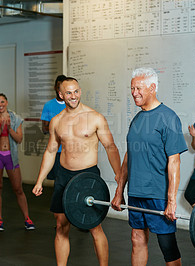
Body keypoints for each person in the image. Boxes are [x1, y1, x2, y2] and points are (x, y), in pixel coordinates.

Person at [32, 77, 121, 266]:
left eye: (76, 91)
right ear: (61, 95)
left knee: (95, 227)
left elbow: (110, 147)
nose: (73, 96)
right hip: (64, 175)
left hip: (87, 178)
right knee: (60, 226)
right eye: (69, 93)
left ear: (80, 91)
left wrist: (119, 173)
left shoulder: (95, 117)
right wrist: (39, 180)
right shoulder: (56, 121)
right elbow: (50, 151)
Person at [111, 68, 188, 266]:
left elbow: (174, 161)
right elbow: (129, 157)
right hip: (136, 191)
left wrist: (171, 200)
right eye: (132, 88)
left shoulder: (168, 118)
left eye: (138, 88)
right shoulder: (136, 119)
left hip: (157, 194)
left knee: (167, 246)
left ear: (153, 88)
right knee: (137, 239)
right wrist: (119, 191)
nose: (134, 92)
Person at [0, 93, 35, 232]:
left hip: (10, 156)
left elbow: (19, 139)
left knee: (18, 189)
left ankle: (27, 219)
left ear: (6, 102)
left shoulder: (16, 119)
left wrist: (9, 129)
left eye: (2, 102)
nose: (0, 105)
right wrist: (0, 130)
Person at [40, 74, 67, 180]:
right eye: (58, 86)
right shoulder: (48, 105)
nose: (60, 90)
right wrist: (56, 129)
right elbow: (44, 129)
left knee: (70, 181)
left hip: (71, 150)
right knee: (57, 182)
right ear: (55, 88)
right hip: (56, 150)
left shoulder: (71, 104)